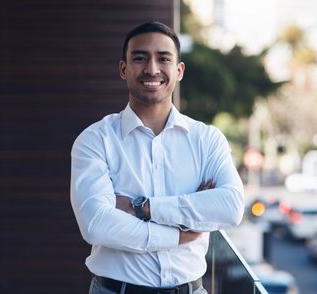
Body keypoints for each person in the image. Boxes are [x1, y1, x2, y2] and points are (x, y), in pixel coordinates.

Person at [70, 21, 245, 294]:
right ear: (123, 69)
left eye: (163, 59)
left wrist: (141, 207)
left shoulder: (207, 139)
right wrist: (180, 233)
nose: (152, 69)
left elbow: (230, 207)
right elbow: (96, 224)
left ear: (179, 70)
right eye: (140, 59)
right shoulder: (95, 140)